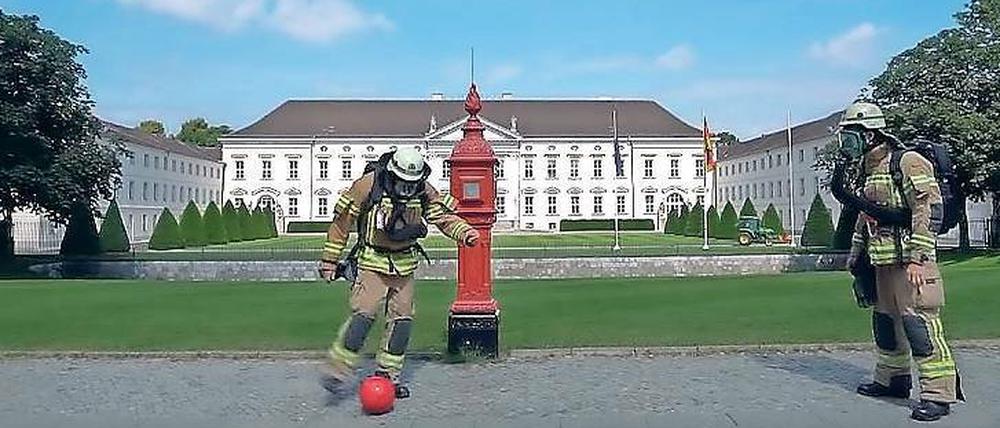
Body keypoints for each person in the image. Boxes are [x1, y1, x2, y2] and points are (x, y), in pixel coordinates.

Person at [317, 147, 479, 399]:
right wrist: (330, 260)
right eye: (403, 181)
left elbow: (443, 217)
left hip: (404, 265)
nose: (407, 186)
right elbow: (341, 224)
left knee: (401, 322)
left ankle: (388, 377)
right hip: (372, 261)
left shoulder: (423, 190)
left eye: (412, 182)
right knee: (363, 316)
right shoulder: (367, 186)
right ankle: (337, 369)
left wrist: (465, 232)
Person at [839, 102, 963, 422]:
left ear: (870, 134)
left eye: (850, 136)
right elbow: (865, 218)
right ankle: (893, 380)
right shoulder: (869, 169)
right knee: (886, 325)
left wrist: (919, 258)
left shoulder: (907, 162)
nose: (846, 145)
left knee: (919, 325)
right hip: (882, 262)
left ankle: (938, 394)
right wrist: (857, 259)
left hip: (910, 262)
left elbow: (927, 209)